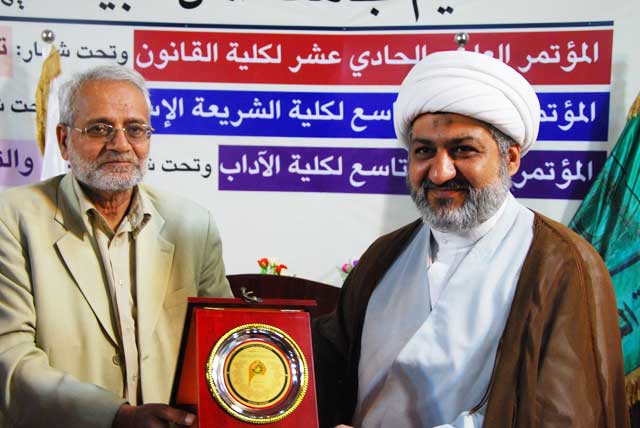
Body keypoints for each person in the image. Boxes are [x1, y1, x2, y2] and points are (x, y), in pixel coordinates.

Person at [313, 50, 629, 428]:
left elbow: (563, 417)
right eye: (424, 151)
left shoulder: (561, 264)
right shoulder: (385, 255)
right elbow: (328, 366)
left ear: (510, 159)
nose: (440, 172)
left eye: (463, 150)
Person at [0, 66, 232, 428]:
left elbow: (222, 343)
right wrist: (115, 416)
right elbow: (9, 357)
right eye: (99, 129)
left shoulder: (192, 225)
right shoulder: (12, 219)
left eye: (135, 129)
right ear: (64, 140)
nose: (121, 144)